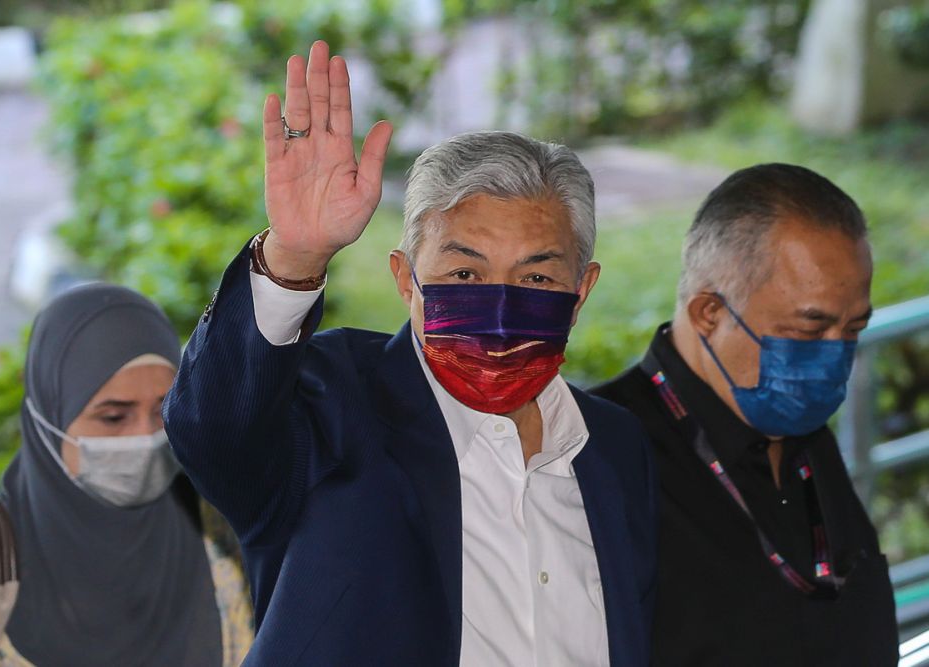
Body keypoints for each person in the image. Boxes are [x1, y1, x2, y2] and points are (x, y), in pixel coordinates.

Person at [164, 40, 656, 666]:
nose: (500, 316)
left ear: (581, 292)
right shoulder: (330, 406)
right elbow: (213, 427)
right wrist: (294, 257)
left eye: (536, 280)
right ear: (405, 281)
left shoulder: (615, 446)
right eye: (464, 276)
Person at [592, 163, 898, 666]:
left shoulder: (799, 428)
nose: (835, 356)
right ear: (709, 313)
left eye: (854, 330)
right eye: (808, 330)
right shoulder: (601, 457)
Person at [0, 283, 254, 666]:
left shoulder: (225, 537)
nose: (145, 437)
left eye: (164, 410)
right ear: (49, 419)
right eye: (113, 417)